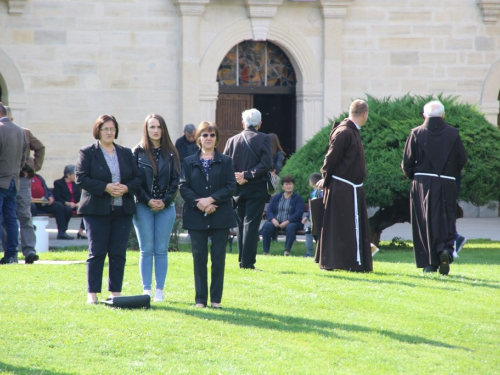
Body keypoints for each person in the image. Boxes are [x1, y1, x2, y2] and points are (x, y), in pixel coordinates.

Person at [76, 114, 141, 304]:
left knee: (118, 253)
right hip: (96, 210)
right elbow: (81, 178)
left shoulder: (125, 153)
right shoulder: (88, 152)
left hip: (122, 210)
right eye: (106, 129)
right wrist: (105, 187)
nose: (109, 132)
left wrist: (126, 187)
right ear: (98, 131)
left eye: (112, 129)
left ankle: (115, 293)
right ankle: (92, 294)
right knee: (97, 252)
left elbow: (137, 178)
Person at [402, 100, 467, 275]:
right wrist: (449, 175)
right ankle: (445, 250)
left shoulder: (416, 133)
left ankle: (429, 263)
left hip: (422, 183)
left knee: (424, 221)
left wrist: (414, 177)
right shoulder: (453, 134)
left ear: (424, 115)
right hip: (447, 182)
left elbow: (407, 163)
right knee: (446, 218)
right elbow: (462, 158)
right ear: (443, 115)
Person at [180, 122, 236, 308]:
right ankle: (200, 299)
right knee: (199, 258)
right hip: (196, 216)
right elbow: (184, 187)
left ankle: (216, 300)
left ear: (217, 139)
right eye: (204, 135)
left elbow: (230, 186)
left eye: (212, 135)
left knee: (218, 258)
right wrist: (201, 204)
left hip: (221, 215)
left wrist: (211, 200)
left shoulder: (226, 161)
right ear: (198, 139)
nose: (208, 138)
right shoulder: (188, 161)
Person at [315, 99, 373, 272]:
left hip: (350, 188)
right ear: (365, 114)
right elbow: (330, 158)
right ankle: (336, 262)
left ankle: (349, 261)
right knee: (337, 226)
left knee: (343, 225)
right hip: (342, 188)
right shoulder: (344, 132)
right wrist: (325, 178)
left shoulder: (351, 131)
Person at [133, 114, 180, 303]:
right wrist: (148, 200)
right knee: (146, 249)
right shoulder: (137, 152)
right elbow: (135, 181)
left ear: (163, 129)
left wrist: (165, 200)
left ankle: (159, 289)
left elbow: (176, 180)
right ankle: (147, 290)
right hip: (143, 206)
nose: (155, 130)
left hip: (166, 207)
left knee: (161, 249)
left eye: (159, 127)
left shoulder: (172, 152)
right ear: (146, 129)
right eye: (152, 127)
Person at [223, 108, 272, 270]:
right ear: (260, 124)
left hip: (237, 189)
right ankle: (248, 263)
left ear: (243, 123)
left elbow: (225, 164)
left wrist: (238, 177)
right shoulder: (264, 138)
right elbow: (266, 164)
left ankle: (242, 261)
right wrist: (247, 175)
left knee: (240, 225)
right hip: (256, 187)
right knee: (251, 225)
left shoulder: (232, 140)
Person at [1, 106, 44, 264]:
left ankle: (29, 251)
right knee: (7, 217)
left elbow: (40, 147)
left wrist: (33, 168)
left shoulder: (23, 132)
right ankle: (10, 252)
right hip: (8, 179)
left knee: (24, 215)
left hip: (22, 179)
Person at [0, 102, 27, 265]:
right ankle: (12, 255)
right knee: (11, 219)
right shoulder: (20, 131)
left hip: (1, 180)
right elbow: (24, 157)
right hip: (13, 180)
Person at [261, 175, 304, 256]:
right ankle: (266, 251)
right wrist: (273, 219)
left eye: (290, 184)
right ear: (282, 186)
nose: (289, 186)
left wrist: (287, 221)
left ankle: (287, 251)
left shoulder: (297, 198)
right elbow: (269, 210)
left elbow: (299, 213)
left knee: (291, 226)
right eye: (286, 184)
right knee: (267, 225)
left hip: (292, 223)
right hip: (277, 222)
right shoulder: (277, 197)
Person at [31, 173, 74, 240]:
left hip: (43, 203)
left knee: (59, 206)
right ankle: (33, 233)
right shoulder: (21, 178)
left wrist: (50, 197)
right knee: (31, 208)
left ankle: (61, 233)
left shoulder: (38, 177)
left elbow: (47, 190)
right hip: (29, 203)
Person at [53, 165, 87, 239]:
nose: (76, 176)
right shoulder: (58, 183)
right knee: (67, 210)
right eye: (75, 174)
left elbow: (80, 196)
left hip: (75, 205)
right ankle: (62, 232)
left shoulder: (76, 183)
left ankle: (81, 231)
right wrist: (67, 203)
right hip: (64, 204)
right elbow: (57, 197)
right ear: (68, 175)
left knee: (86, 209)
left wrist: (79, 203)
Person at [302, 173, 323, 257]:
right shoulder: (313, 193)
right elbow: (311, 207)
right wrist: (307, 217)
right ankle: (309, 252)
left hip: (319, 218)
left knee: (318, 234)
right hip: (312, 218)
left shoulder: (321, 192)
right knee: (309, 231)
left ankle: (320, 251)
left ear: (311, 182)